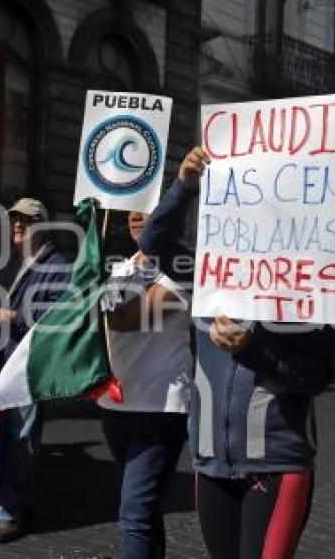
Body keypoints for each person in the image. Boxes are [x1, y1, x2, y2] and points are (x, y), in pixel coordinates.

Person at [140, 148, 335, 559]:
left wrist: (253, 350)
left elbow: (317, 377)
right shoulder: (207, 277)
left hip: (277, 464)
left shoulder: (306, 290)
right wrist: (184, 188)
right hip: (211, 463)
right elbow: (153, 242)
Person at [99, 210, 192, 559]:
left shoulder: (182, 266)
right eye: (135, 209)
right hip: (116, 405)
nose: (139, 216)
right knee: (144, 509)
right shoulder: (121, 267)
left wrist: (89, 301)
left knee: (134, 513)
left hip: (159, 408)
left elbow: (123, 320)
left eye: (151, 208)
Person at [0, 197, 70, 543]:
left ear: (43, 224)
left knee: (22, 437)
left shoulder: (57, 265)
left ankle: (11, 513)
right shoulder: (14, 264)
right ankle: (15, 500)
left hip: (29, 367)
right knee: (6, 436)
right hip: (5, 363)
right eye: (14, 219)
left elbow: (58, 316)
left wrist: (15, 318)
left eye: (26, 219)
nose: (18, 224)